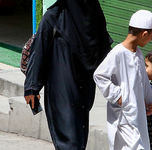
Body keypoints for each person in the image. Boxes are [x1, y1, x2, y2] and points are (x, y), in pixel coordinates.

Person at [24, 0, 113, 149]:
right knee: (69, 139)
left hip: (85, 85)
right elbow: (39, 52)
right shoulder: (53, 18)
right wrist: (32, 87)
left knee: (79, 134)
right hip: (60, 84)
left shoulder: (94, 16)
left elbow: (104, 48)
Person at [93, 10, 152, 150]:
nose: (151, 40)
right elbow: (99, 75)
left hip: (137, 111)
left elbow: (144, 81)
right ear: (144, 34)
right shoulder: (118, 52)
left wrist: (149, 101)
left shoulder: (138, 53)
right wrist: (118, 96)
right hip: (124, 114)